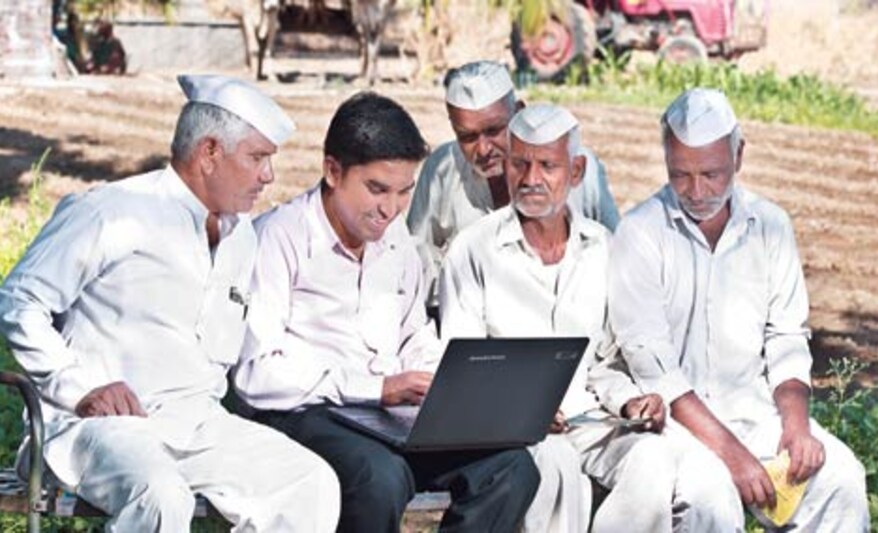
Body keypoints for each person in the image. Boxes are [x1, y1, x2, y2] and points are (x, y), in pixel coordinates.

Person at [0, 74, 340, 532]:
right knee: (162, 496)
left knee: (310, 482)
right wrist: (79, 389)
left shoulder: (242, 238)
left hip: (198, 426)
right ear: (209, 152)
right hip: (102, 430)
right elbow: (18, 301)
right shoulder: (114, 210)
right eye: (257, 158)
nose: (268, 176)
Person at [234, 91, 540, 533]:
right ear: (332, 170)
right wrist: (375, 388)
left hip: (388, 417)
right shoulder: (277, 238)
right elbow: (255, 375)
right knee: (381, 478)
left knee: (511, 468)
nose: (390, 209)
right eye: (376, 189)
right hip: (304, 413)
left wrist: (445, 388)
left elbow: (413, 332)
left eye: (403, 192)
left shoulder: (396, 239)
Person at [609, 88, 870, 531]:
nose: (696, 190)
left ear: (740, 156)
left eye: (711, 174)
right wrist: (732, 454)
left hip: (756, 414)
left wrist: (796, 427)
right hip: (676, 429)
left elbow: (786, 334)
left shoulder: (770, 225)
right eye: (680, 175)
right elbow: (653, 365)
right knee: (710, 499)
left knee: (842, 478)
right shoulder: (639, 233)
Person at [438, 104, 681, 533]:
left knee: (654, 455)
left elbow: (606, 363)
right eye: (520, 163)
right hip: (514, 433)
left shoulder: (603, 248)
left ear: (576, 171)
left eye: (547, 165)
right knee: (556, 460)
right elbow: (461, 369)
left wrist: (630, 402)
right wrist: (521, 410)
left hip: (593, 421)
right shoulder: (473, 250)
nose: (530, 179)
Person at [406, 60, 620, 306]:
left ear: (519, 112)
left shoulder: (576, 166)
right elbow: (415, 262)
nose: (483, 149)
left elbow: (618, 257)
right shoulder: (441, 169)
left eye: (494, 130)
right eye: (468, 137)